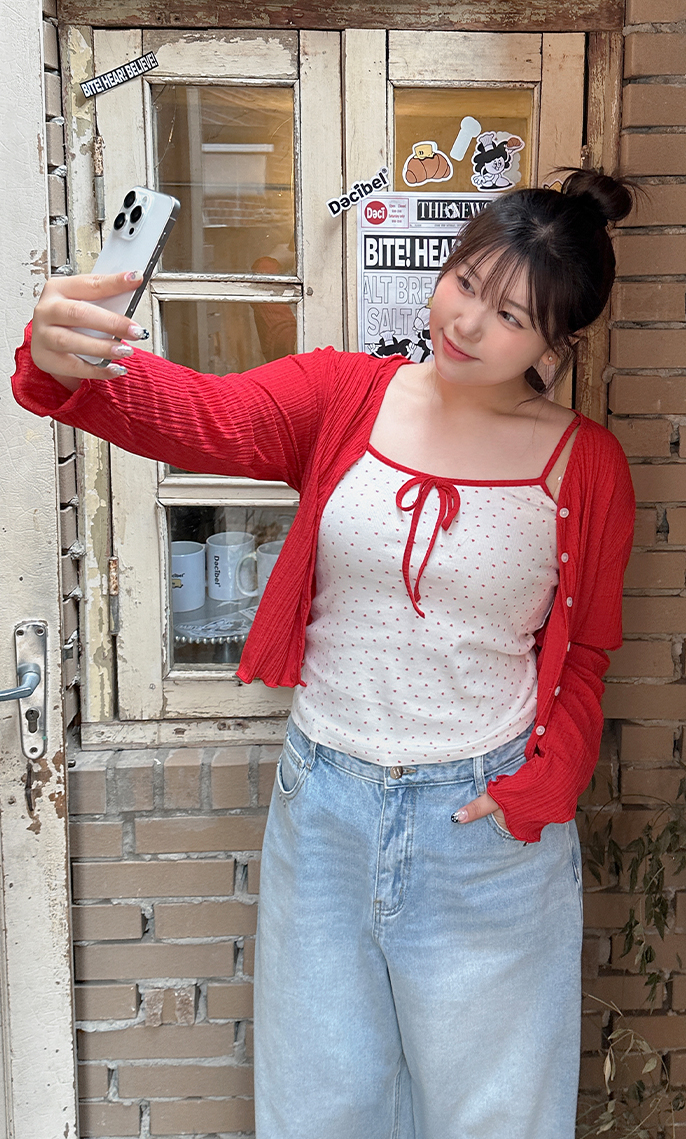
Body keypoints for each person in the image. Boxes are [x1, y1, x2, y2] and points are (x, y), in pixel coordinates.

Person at [13, 167, 636, 1139]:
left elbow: (588, 654)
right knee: (318, 1109)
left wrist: (547, 782)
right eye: (465, 282)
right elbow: (206, 416)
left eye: (510, 315)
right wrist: (68, 362)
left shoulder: (585, 465)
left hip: (486, 830)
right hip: (327, 810)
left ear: (557, 344)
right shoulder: (346, 394)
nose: (468, 322)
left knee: (496, 1118)